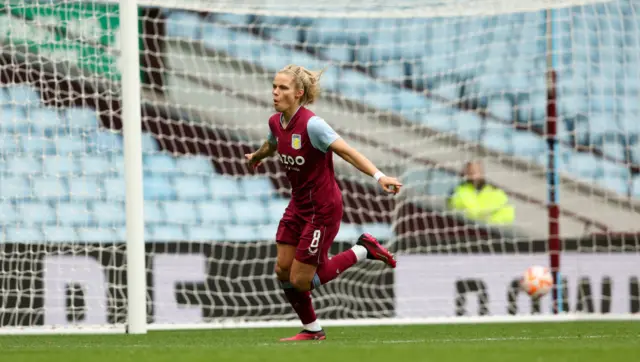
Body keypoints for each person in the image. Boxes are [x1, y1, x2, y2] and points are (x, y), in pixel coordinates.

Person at [245, 64, 402, 342]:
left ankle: (363, 250)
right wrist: (257, 156)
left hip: (323, 209)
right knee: (282, 268)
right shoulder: (275, 121)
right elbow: (272, 144)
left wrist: (379, 176)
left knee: (301, 280)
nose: (275, 92)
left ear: (298, 93)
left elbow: (347, 152)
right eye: (274, 86)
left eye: (282, 88)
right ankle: (313, 330)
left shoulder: (313, 125)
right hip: (298, 205)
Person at [447, 161, 515, 225]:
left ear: (482, 172)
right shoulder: (458, 192)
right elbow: (455, 210)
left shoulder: (496, 193)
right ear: (465, 173)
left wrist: (488, 221)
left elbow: (508, 214)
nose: (474, 176)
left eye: (477, 172)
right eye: (471, 172)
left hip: (491, 231)